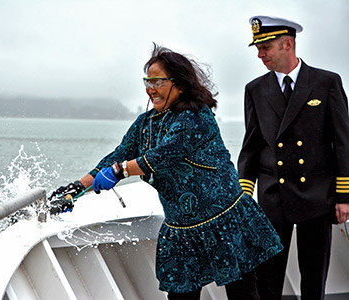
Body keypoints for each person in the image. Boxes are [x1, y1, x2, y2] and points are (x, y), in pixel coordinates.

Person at [52, 44, 283, 300]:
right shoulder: (145, 122)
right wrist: (77, 188)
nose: (151, 89)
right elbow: (119, 154)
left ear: (180, 84)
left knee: (243, 294)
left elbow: (162, 156)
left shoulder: (197, 117)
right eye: (147, 82)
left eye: (158, 82)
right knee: (180, 296)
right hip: (181, 231)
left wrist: (119, 171)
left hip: (225, 222)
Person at [238, 15, 349, 300]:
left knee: (314, 279)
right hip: (274, 198)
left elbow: (343, 142)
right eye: (258, 49)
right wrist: (244, 197)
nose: (260, 55)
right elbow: (251, 146)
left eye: (266, 47)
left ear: (287, 44)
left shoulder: (326, 82)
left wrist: (344, 196)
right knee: (269, 280)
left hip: (317, 196)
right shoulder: (255, 89)